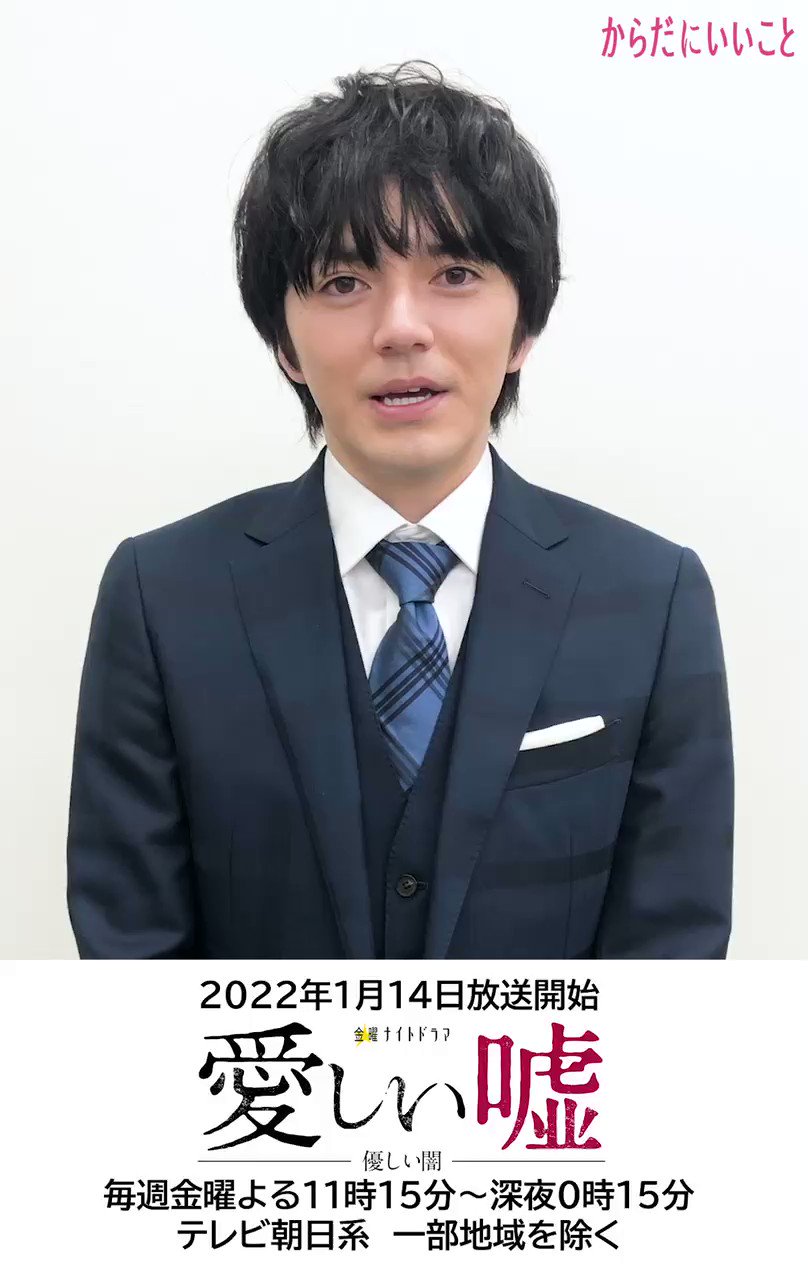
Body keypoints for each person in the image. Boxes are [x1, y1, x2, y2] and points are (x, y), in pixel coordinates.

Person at [66, 61, 733, 960]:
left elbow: (673, 957)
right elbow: (131, 957)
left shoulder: (653, 596)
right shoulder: (162, 594)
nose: (401, 328)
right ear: (284, 342)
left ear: (525, 325)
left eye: (454, 273)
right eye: (344, 282)